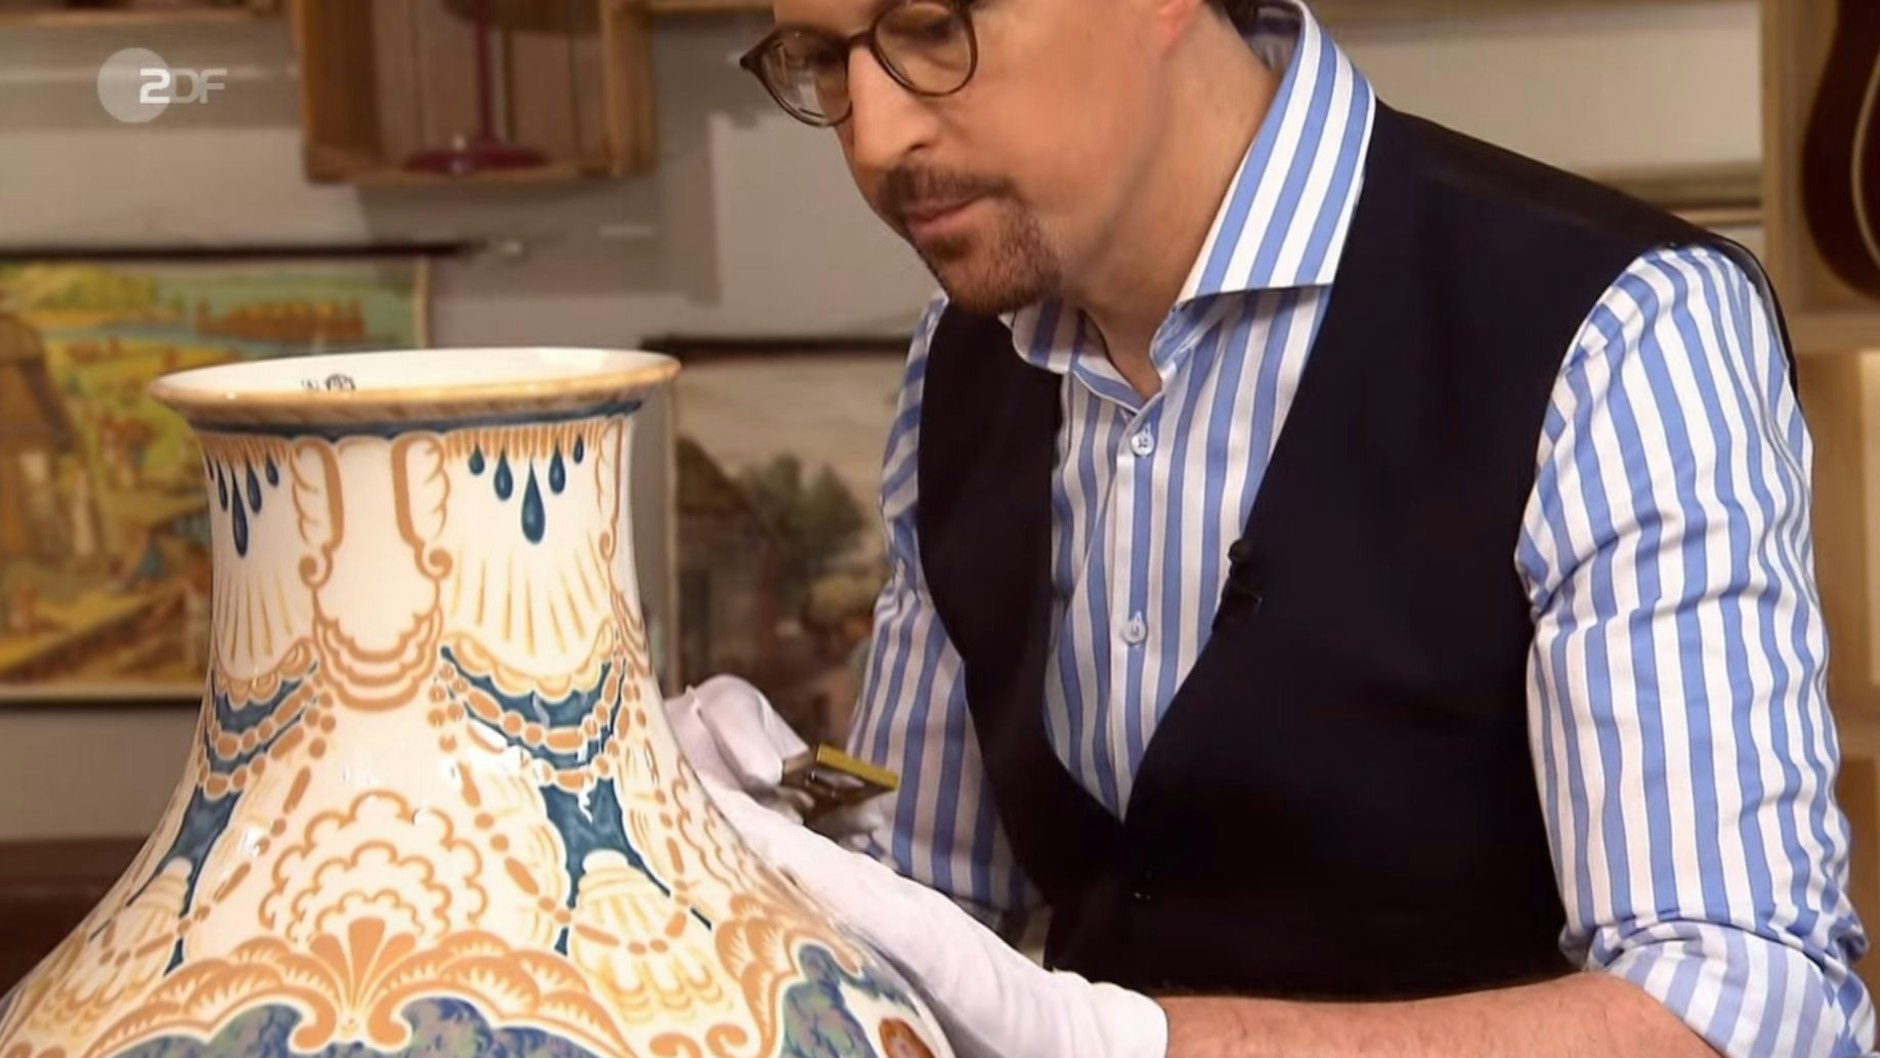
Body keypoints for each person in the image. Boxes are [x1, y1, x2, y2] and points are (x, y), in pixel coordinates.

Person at [665, 0, 1879, 1055]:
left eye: (932, 29)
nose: (876, 137)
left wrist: (1123, 1041)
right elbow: (927, 904)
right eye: (821, 63)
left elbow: (1742, 1013)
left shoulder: (1622, 333)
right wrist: (742, 838)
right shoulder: (959, 362)